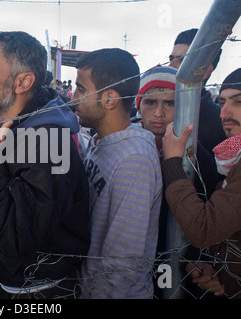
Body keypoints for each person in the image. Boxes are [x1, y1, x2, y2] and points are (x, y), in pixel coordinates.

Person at [0, 31, 91, 299]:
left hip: (42, 292)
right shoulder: (15, 127)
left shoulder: (50, 141)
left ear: (22, 82)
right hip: (15, 283)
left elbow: (17, 238)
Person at [73, 48, 162, 299]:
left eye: (81, 88)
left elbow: (122, 258)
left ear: (109, 99)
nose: (73, 96)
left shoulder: (134, 160)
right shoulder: (100, 140)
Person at [135, 65, 219, 298]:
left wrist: (198, 259)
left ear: (184, 107)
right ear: (138, 104)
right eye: (150, 102)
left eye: (170, 103)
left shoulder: (197, 156)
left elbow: (206, 213)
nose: (159, 113)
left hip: (179, 262)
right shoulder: (126, 146)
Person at [161, 68, 241, 299]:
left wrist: (174, 162)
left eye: (238, 102)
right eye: (222, 102)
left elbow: (204, 229)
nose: (224, 113)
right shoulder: (232, 158)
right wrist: (216, 268)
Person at [168, 28, 226, 156]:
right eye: (171, 58)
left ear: (204, 71)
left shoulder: (219, 123)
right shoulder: (161, 110)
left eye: (182, 60)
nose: (170, 66)